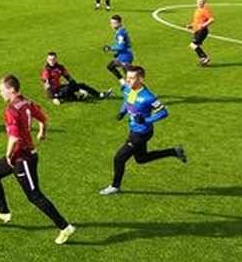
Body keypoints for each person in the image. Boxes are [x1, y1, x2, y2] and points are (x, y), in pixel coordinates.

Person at [0, 74, 76, 245]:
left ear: (11, 90)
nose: (0, 93)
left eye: (2, 90)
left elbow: (15, 138)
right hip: (20, 156)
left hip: (23, 158)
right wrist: (42, 131)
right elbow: (42, 118)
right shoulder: (26, 102)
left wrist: (8, 156)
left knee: (34, 196)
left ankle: (65, 227)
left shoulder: (11, 109)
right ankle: (4, 213)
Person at [99, 65, 186, 195]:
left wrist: (146, 120)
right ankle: (174, 151)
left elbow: (163, 112)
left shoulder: (148, 97)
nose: (128, 80)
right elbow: (128, 100)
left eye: (132, 78)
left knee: (119, 158)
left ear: (141, 79)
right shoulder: (129, 89)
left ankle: (115, 186)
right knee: (141, 159)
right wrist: (122, 112)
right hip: (134, 129)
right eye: (127, 77)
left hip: (141, 133)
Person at [41, 51, 111, 105]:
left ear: (56, 59)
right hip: (54, 92)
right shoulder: (46, 70)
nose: (52, 61)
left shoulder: (60, 67)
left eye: (53, 59)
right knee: (67, 89)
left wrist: (78, 88)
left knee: (81, 85)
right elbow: (46, 85)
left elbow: (69, 78)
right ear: (47, 60)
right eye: (50, 60)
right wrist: (53, 97)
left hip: (59, 88)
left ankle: (99, 94)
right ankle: (75, 97)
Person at [103, 15, 133, 85]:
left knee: (130, 79)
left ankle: (135, 92)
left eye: (114, 23)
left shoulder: (120, 33)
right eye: (111, 23)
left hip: (125, 57)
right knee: (111, 66)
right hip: (124, 55)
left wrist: (110, 48)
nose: (112, 25)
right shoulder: (122, 30)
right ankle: (123, 83)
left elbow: (121, 46)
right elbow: (127, 43)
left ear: (119, 23)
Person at [186, 0, 214, 66]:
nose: (199, 3)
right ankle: (203, 60)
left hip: (202, 31)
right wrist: (191, 25)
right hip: (197, 31)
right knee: (196, 46)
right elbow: (197, 22)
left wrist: (203, 25)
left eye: (201, 2)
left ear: (204, 2)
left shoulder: (205, 10)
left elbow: (212, 19)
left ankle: (204, 57)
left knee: (193, 45)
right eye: (198, 1)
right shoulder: (197, 10)